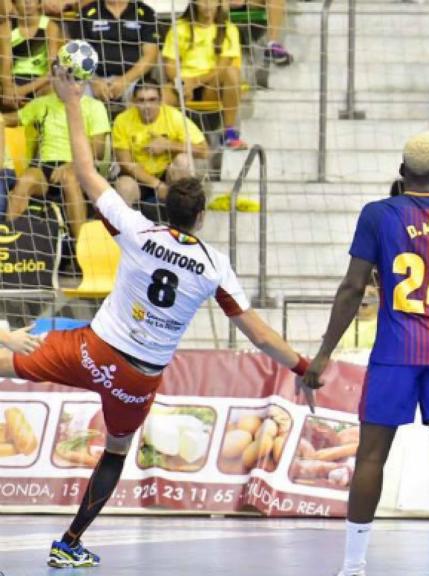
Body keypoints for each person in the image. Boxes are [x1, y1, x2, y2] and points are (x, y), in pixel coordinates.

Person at [10, 66, 314, 569]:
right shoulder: (215, 265)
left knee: (9, 364)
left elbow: (86, 174)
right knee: (114, 451)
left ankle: (70, 542)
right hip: (138, 375)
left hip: (92, 350)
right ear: (201, 217)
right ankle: (70, 542)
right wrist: (304, 368)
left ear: (164, 206)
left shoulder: (138, 231)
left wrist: (72, 100)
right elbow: (258, 333)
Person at [301, 133, 429, 576]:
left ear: (402, 173)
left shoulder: (379, 214)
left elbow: (352, 288)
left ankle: (354, 565)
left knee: (371, 456)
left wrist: (324, 354)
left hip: (396, 351)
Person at [5, 86, 110, 238]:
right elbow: (11, 118)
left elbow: (97, 151)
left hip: (79, 166)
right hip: (45, 168)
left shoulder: (94, 106)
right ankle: (9, 243)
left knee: (69, 178)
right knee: (26, 180)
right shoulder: (41, 103)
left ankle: (81, 249)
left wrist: (71, 165)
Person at [112, 83, 209, 223]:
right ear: (134, 102)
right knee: (124, 186)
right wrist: (157, 185)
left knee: (183, 162)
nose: (147, 106)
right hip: (138, 177)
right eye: (141, 100)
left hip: (168, 175)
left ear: (160, 100)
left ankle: (182, 224)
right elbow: (126, 164)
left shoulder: (173, 117)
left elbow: (204, 151)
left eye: (152, 100)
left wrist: (168, 145)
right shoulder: (123, 120)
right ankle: (126, 235)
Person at [162, 0, 247, 149]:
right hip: (183, 84)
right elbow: (169, 64)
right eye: (203, 0)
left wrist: (195, 81)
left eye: (213, 1)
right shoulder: (179, 27)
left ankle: (229, 133)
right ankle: (161, 138)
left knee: (232, 72)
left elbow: (222, 67)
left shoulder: (229, 29)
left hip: (211, 86)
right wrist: (181, 83)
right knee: (159, 95)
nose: (208, 4)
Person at [64, 0, 160, 106]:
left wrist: (125, 81)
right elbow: (76, 53)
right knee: (75, 94)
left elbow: (150, 56)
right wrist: (94, 80)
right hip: (93, 79)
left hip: (132, 80)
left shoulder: (145, 13)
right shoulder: (87, 12)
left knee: (144, 98)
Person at [0, 0, 61, 110]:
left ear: (39, 3)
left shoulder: (50, 27)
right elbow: (5, 62)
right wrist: (8, 88)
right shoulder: (6, 26)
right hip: (14, 80)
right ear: (14, 3)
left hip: (40, 83)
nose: (27, 2)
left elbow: (52, 69)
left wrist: (23, 90)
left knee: (53, 91)